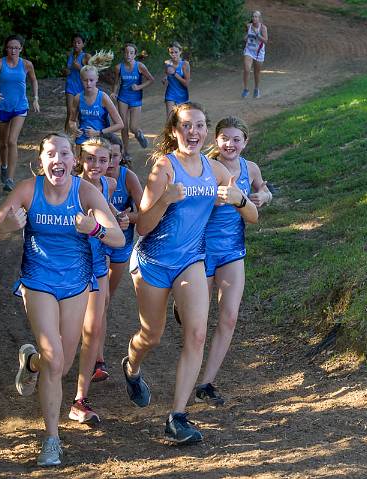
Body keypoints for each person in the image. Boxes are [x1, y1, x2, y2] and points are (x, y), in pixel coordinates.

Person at [0, 133, 123, 467]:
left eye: (64, 153)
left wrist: (94, 229)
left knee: (60, 364)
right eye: (50, 154)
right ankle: (52, 439)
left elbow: (116, 237)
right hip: (38, 282)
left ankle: (31, 364)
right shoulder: (28, 190)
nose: (57, 159)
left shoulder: (85, 192)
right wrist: (7, 228)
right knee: (55, 358)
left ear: (73, 161)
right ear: (40, 162)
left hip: (76, 285)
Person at [121, 103, 257, 444]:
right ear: (173, 131)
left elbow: (252, 215)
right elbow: (144, 228)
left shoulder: (215, 169)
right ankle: (132, 367)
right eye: (186, 126)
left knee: (195, 335)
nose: (192, 132)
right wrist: (165, 199)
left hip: (191, 260)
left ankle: (177, 416)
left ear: (205, 131)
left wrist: (241, 200)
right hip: (153, 262)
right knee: (151, 336)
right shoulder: (163, 168)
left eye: (199, 126)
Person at [194, 116, 271, 407]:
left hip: (232, 250)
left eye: (236, 139)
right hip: (200, 251)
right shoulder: (204, 166)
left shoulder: (250, 168)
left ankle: (206, 383)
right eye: (224, 138)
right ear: (216, 140)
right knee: (197, 322)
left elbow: (263, 189)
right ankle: (182, 301)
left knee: (228, 316)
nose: (230, 144)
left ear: (245, 142)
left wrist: (264, 195)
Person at [69, 136, 130, 425]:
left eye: (103, 159)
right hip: (68, 265)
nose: (96, 164)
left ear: (111, 162)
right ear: (80, 158)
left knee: (93, 327)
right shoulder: (68, 186)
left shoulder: (110, 185)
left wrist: (121, 218)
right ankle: (37, 364)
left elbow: (111, 215)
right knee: (65, 334)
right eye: (90, 158)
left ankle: (79, 398)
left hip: (97, 262)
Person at [90, 133, 143, 383]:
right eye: (105, 156)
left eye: (114, 156)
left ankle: (91, 345)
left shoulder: (127, 177)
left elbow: (143, 213)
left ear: (122, 157)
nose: (109, 162)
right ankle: (97, 359)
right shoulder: (88, 182)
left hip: (121, 245)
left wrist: (126, 218)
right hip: (99, 243)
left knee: (104, 302)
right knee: (102, 300)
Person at [0, 34, 40, 192]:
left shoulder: (26, 65)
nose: (13, 50)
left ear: (21, 49)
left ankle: (10, 180)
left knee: (13, 141)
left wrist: (35, 98)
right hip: (2, 108)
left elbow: (33, 79)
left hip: (20, 107)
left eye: (16, 48)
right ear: (6, 48)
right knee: (4, 143)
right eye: (10, 47)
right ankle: (4, 165)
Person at [110, 43, 155, 162]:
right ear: (123, 54)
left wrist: (139, 87)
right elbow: (116, 82)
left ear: (135, 54)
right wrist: (113, 92)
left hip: (136, 98)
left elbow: (151, 80)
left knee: (133, 127)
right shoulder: (118, 67)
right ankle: (125, 152)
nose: (128, 55)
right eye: (126, 52)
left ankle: (138, 134)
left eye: (131, 53)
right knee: (123, 126)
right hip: (123, 98)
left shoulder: (140, 66)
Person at [68, 65, 124, 150]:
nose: (88, 83)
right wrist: (74, 129)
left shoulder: (103, 97)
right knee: (80, 163)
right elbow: (72, 121)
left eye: (91, 80)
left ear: (97, 79)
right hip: (82, 141)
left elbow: (120, 124)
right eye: (85, 80)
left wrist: (98, 132)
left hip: (101, 141)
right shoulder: (78, 98)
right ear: (80, 79)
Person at [62, 34, 91, 130]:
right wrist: (65, 71)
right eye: (74, 42)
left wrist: (80, 68)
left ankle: (80, 137)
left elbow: (92, 73)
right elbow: (67, 70)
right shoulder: (70, 55)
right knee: (70, 113)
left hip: (82, 88)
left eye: (79, 42)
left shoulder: (86, 56)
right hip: (70, 86)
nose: (76, 44)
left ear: (83, 44)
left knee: (81, 114)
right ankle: (65, 137)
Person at [241, 10, 268, 99]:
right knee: (246, 69)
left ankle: (256, 89)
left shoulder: (263, 28)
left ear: (260, 19)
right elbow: (245, 38)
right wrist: (246, 37)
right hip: (249, 50)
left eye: (256, 17)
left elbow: (265, 41)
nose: (254, 18)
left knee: (256, 73)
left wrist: (257, 34)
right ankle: (245, 89)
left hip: (259, 52)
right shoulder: (248, 26)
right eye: (253, 16)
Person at [161, 42, 190, 118]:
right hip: (170, 94)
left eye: (176, 52)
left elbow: (186, 83)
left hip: (182, 95)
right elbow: (167, 75)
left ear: (180, 51)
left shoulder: (185, 64)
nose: (173, 54)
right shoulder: (167, 63)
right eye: (171, 52)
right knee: (170, 120)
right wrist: (165, 78)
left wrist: (174, 74)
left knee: (182, 120)